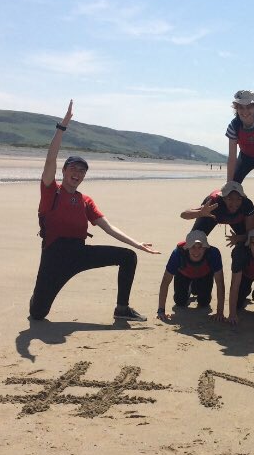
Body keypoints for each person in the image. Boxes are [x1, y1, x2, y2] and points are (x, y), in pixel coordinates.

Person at [30, 100, 159, 322]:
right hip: (54, 257)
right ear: (64, 171)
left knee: (128, 257)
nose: (77, 173)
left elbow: (108, 227)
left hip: (79, 253)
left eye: (82, 171)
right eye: (73, 168)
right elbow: (50, 159)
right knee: (38, 314)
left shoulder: (85, 201)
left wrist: (137, 244)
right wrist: (62, 127)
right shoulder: (52, 191)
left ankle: (122, 309)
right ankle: (37, 299)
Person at [156, 230, 225, 323]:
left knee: (204, 303)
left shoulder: (213, 254)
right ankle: (190, 288)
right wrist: (161, 310)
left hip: (205, 275)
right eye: (192, 247)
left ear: (205, 248)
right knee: (180, 302)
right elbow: (165, 281)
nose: (196, 251)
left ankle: (195, 287)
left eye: (200, 247)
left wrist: (220, 312)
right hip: (183, 275)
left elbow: (220, 283)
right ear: (187, 247)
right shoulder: (178, 254)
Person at [180, 181, 254, 247]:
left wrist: (238, 238)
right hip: (211, 216)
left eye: (239, 198)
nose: (234, 203)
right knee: (193, 240)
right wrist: (200, 213)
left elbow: (251, 234)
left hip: (237, 219)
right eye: (230, 199)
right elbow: (183, 215)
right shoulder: (213, 203)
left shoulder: (247, 205)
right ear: (223, 198)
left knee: (248, 242)